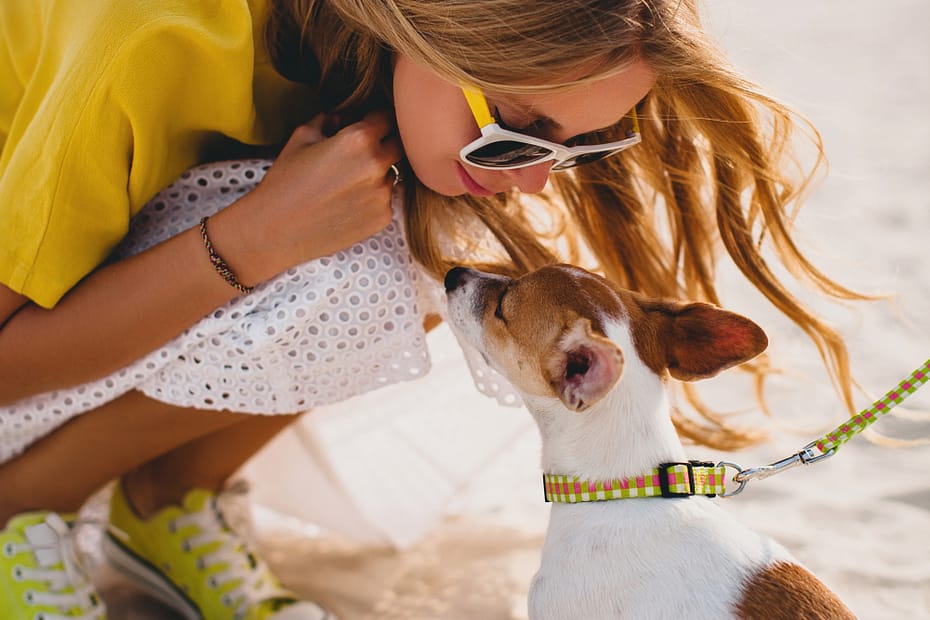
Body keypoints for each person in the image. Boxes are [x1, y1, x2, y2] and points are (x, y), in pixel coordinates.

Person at [0, 0, 868, 618]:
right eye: (519, 126)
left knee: (418, 252)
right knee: (377, 266)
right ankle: (19, 510)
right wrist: (254, 240)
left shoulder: (361, 53)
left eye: (583, 143)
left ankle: (162, 508)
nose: (531, 174)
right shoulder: (141, 31)